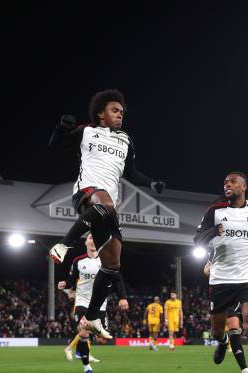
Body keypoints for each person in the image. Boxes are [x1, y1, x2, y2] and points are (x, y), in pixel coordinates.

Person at [48, 89, 163, 338]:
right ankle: (64, 245)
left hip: (107, 207)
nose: (120, 114)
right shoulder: (86, 131)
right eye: (114, 110)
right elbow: (56, 145)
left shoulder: (126, 141)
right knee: (105, 202)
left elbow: (130, 172)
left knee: (112, 264)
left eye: (122, 111)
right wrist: (60, 128)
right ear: (100, 113)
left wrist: (151, 183)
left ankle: (91, 318)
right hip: (87, 193)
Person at [194, 171, 248, 373]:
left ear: (244, 186)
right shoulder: (214, 211)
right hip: (221, 278)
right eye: (225, 182)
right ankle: (222, 341)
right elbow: (197, 239)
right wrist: (213, 231)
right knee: (218, 329)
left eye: (232, 182)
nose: (227, 185)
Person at [57, 234, 128, 373]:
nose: (93, 241)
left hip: (100, 304)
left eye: (95, 239)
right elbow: (72, 280)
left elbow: (118, 279)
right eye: (90, 238)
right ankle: (87, 368)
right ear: (86, 243)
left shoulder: (107, 261)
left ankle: (79, 348)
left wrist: (123, 298)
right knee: (83, 332)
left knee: (103, 339)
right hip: (82, 302)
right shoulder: (78, 261)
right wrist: (65, 284)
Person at [204, 261, 248, 373]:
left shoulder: (239, 252)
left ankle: (245, 370)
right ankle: (223, 341)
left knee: (234, 333)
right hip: (219, 294)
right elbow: (206, 271)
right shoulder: (215, 254)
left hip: (234, 296)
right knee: (216, 333)